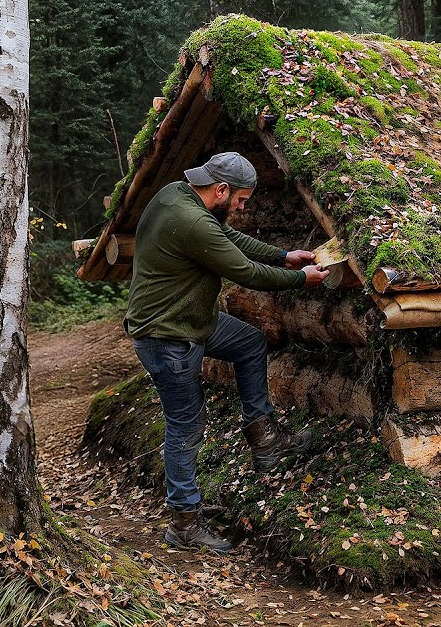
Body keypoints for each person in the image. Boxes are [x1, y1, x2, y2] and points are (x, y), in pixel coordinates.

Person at [124, 151, 330, 553]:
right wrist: (298, 278)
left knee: (250, 342)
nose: (240, 207)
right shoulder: (191, 221)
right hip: (167, 337)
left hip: (192, 320)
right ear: (221, 189)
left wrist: (281, 254)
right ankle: (183, 522)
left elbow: (226, 238)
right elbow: (246, 273)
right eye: (240, 200)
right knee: (185, 428)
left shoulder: (177, 195)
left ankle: (264, 437)